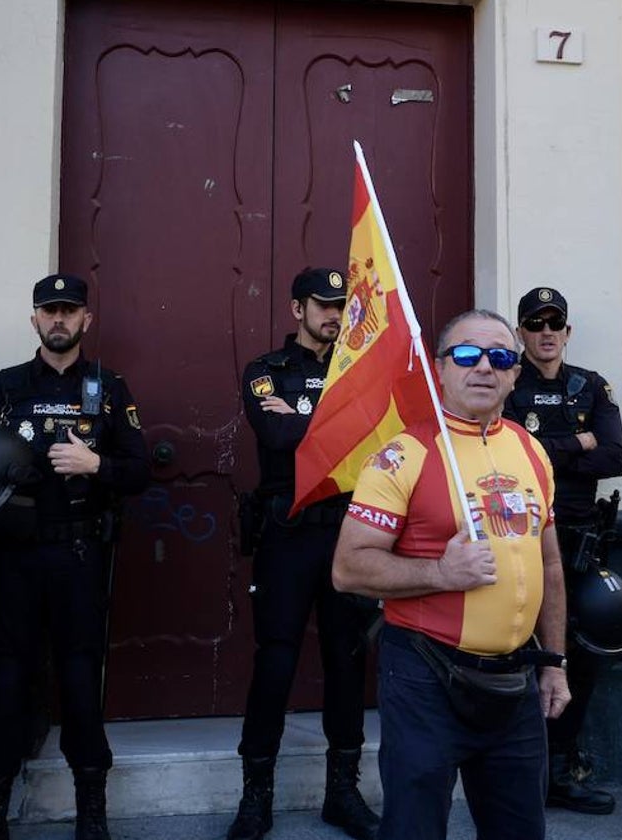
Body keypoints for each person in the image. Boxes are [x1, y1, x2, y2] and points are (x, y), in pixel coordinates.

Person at [333, 309, 571, 840]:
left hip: (515, 682)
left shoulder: (532, 451)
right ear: (439, 368)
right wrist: (441, 571)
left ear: (515, 373)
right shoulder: (402, 455)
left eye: (501, 357)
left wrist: (554, 663)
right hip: (426, 677)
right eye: (467, 355)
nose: (484, 367)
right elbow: (348, 568)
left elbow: (550, 564)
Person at [0, 274, 150, 840]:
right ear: (33, 319)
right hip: (10, 562)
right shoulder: (3, 388)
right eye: (48, 311)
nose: (59, 320)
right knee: (5, 683)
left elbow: (140, 470)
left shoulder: (110, 389)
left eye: (69, 310)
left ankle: (91, 812)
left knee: (81, 683)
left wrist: (97, 467)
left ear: (87, 320)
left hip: (77, 556)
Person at [227, 268, 379, 840]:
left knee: (347, 661)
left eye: (340, 305)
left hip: (349, 531)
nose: (333, 314)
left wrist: (309, 423)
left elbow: (380, 435)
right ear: (298, 309)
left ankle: (343, 792)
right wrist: (344, 426)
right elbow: (276, 438)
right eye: (322, 304)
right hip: (288, 533)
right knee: (276, 661)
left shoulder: (360, 369)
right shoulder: (267, 371)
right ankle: (255, 796)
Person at [502, 287, 622, 815]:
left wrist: (548, 455)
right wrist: (577, 445)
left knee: (584, 657)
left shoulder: (591, 387)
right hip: (522, 538)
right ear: (522, 333)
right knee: (522, 656)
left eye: (555, 323)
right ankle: (524, 770)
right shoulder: (507, 383)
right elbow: (508, 454)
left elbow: (616, 457)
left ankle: (564, 765)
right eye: (535, 323)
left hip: (581, 540)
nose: (546, 332)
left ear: (568, 331)